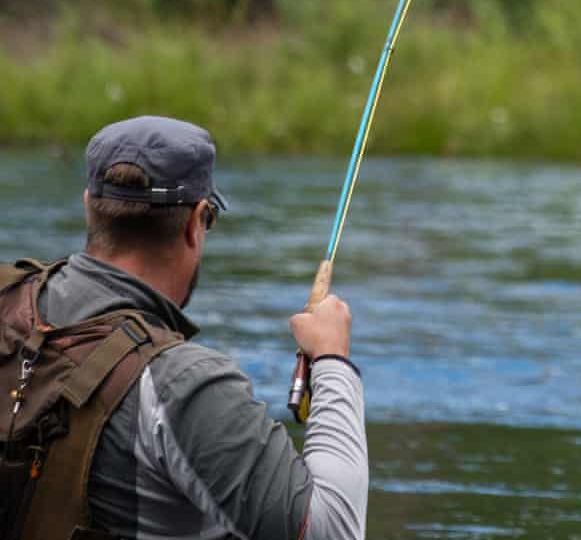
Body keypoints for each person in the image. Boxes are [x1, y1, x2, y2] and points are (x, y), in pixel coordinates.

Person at [8, 115, 367, 540]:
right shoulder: (183, 384)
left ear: (89, 203)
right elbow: (332, 531)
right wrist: (332, 361)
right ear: (198, 222)